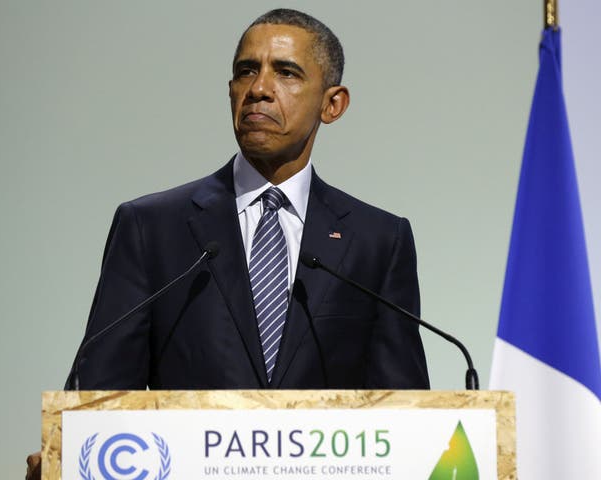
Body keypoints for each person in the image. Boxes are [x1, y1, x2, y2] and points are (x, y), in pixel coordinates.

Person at [27, 8, 428, 478]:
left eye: (286, 72)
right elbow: (101, 392)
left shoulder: (378, 240)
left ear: (332, 104)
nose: (259, 88)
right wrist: (67, 451)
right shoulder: (151, 227)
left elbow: (406, 415)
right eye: (245, 71)